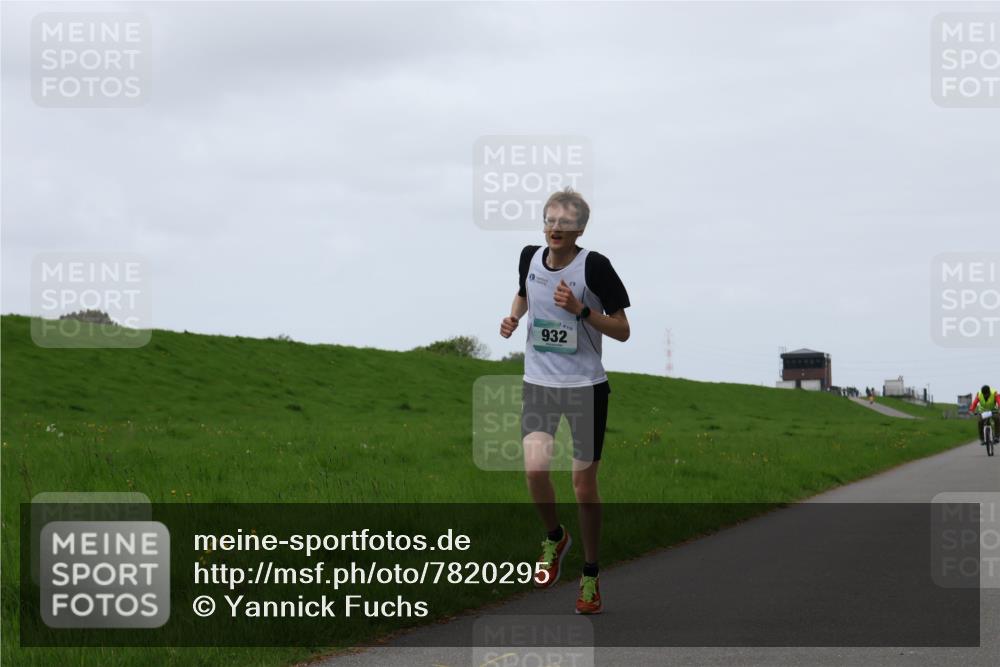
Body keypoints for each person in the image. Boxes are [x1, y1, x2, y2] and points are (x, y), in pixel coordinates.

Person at [499, 188, 630, 615]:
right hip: (539, 383)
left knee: (583, 486)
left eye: (565, 223)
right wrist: (513, 316)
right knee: (535, 470)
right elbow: (524, 292)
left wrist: (581, 310)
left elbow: (623, 330)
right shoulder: (530, 257)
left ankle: (590, 574)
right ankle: (555, 537)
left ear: (580, 229)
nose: (556, 228)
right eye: (550, 220)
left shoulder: (595, 267)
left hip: (585, 388)